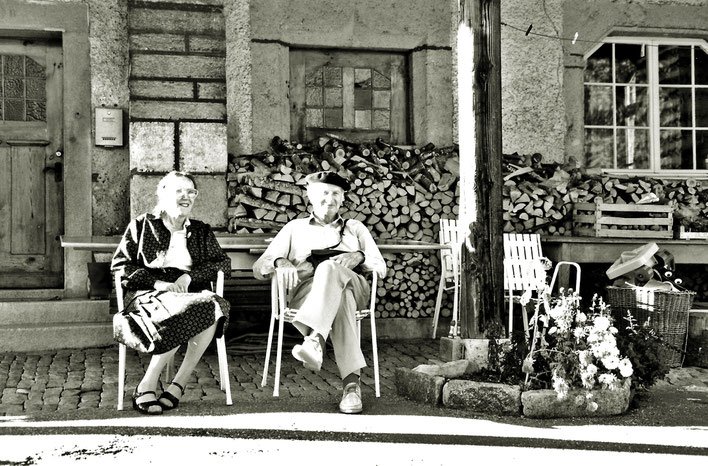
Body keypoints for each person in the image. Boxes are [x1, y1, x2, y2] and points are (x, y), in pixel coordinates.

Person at [253, 171, 386, 414]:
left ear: (343, 198)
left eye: (336, 193)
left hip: (355, 287)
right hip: (309, 293)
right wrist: (281, 262)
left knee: (331, 269)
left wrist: (359, 256)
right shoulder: (295, 228)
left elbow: (381, 268)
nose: (330, 198)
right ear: (310, 197)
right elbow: (259, 267)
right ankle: (351, 387)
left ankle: (315, 340)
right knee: (340, 298)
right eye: (324, 193)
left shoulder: (355, 228)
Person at [111, 171, 231, 415]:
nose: (186, 196)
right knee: (187, 310)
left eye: (191, 192)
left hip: (189, 295)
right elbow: (121, 266)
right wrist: (158, 284)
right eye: (179, 191)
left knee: (213, 305)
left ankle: (178, 383)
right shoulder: (142, 225)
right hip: (149, 296)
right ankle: (147, 383)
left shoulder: (201, 230)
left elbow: (223, 264)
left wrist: (189, 276)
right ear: (162, 194)